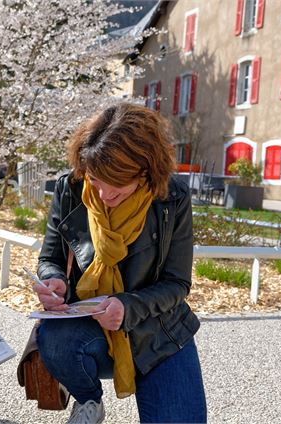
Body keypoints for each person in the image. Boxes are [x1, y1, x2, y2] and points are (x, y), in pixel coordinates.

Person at [32, 103, 207, 424]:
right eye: (97, 180)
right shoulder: (71, 188)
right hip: (88, 326)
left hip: (160, 331)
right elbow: (50, 258)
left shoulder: (173, 197)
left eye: (118, 182)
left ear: (146, 171)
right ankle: (88, 401)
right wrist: (53, 279)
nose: (105, 193)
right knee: (55, 339)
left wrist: (128, 307)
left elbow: (177, 284)